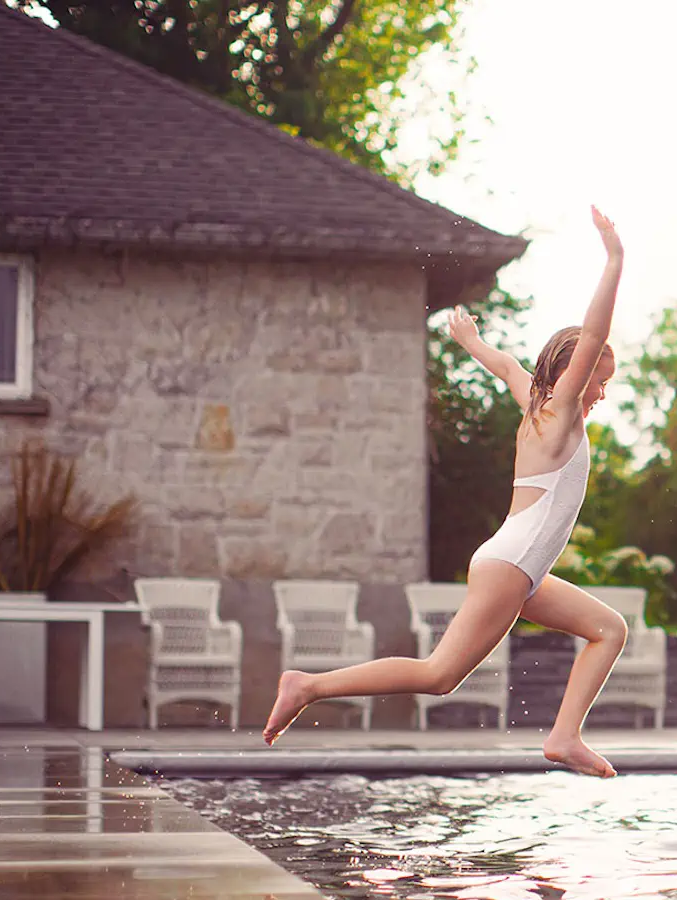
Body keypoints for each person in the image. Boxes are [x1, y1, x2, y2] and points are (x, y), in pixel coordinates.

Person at [263, 206, 628, 778]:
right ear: (572, 374)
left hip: (520, 565)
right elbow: (595, 332)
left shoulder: (536, 407)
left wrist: (472, 341)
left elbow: (508, 367)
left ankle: (564, 735)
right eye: (599, 380)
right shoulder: (559, 412)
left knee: (609, 629)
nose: (601, 392)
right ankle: (308, 685)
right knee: (438, 675)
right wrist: (614, 260)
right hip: (512, 564)